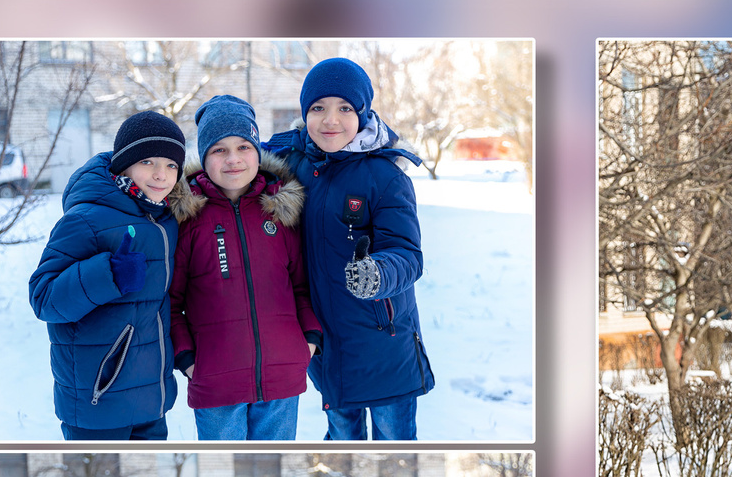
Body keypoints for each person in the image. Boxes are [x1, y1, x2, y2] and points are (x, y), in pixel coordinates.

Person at [264, 57, 433, 440]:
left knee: (395, 445)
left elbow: (408, 254)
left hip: (383, 341)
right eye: (318, 108)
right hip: (327, 346)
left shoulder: (384, 176)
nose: (330, 120)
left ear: (363, 113)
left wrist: (378, 272)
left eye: (344, 108)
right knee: (342, 441)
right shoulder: (292, 165)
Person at [168, 94, 320, 441]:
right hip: (215, 384)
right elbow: (171, 302)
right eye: (219, 150)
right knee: (222, 465)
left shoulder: (280, 211)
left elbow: (301, 286)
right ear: (204, 157)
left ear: (257, 150)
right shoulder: (187, 217)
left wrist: (308, 341)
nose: (233, 159)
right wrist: (188, 359)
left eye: (243, 147)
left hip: (283, 379)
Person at [29, 111, 184, 441]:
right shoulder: (86, 219)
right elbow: (43, 299)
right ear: (124, 164)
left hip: (152, 404)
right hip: (97, 406)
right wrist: (108, 275)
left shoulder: (166, 220)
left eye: (172, 165)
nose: (161, 174)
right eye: (148, 162)